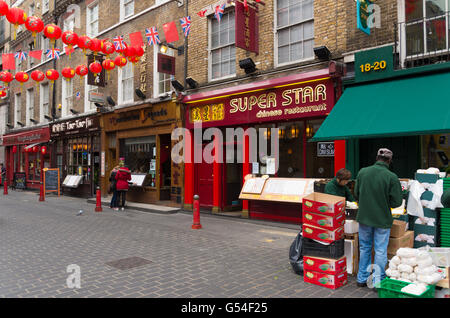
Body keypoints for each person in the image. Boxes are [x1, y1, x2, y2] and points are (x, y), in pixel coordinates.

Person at [354, 148, 403, 289]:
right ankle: (377, 281)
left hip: (364, 217)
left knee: (365, 248)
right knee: (381, 250)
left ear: (377, 158)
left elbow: (356, 194)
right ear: (389, 160)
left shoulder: (362, 172)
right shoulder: (391, 176)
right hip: (382, 218)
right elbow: (397, 202)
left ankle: (361, 279)